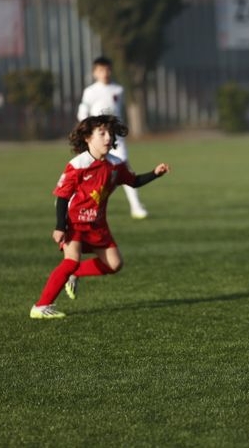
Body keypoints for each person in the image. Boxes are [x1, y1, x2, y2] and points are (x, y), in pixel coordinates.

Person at [30, 115, 170, 319]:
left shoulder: (115, 165)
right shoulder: (78, 164)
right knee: (71, 261)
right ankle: (41, 306)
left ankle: (75, 274)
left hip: (97, 224)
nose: (107, 138)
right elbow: (62, 196)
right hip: (75, 222)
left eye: (110, 133)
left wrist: (155, 173)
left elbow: (133, 181)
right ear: (87, 137)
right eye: (101, 133)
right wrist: (60, 226)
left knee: (114, 264)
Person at [78, 56, 148, 219]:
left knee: (125, 169)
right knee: (90, 173)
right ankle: (73, 199)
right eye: (101, 70)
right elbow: (83, 111)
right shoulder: (90, 91)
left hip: (115, 137)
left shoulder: (118, 89)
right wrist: (86, 129)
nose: (105, 73)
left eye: (108, 69)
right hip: (96, 138)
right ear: (95, 73)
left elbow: (118, 113)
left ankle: (136, 206)